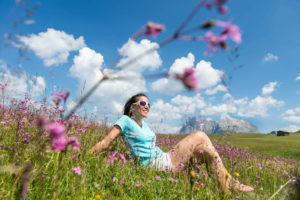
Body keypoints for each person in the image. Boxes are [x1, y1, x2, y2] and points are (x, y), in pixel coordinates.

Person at [90, 93, 254, 194]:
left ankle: (224, 192)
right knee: (201, 135)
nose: (146, 106)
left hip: (165, 159)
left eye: (148, 104)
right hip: (156, 165)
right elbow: (106, 142)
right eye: (142, 103)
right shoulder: (125, 120)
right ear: (132, 107)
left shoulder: (145, 125)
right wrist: (83, 157)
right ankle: (231, 181)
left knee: (208, 151)